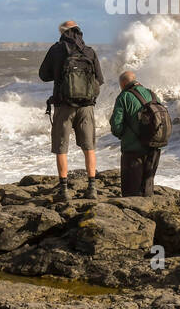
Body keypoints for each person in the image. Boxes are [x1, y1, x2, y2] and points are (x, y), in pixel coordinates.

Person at [39, 20, 104, 202]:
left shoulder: (56, 50)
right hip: (86, 106)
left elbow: (43, 75)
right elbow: (99, 80)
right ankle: (92, 188)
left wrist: (59, 73)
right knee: (89, 147)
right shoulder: (89, 51)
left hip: (63, 105)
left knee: (61, 148)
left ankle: (64, 189)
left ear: (62, 32)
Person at [110, 70, 162, 197]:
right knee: (147, 190)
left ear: (122, 84)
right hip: (154, 147)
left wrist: (124, 136)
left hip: (133, 150)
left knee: (131, 193)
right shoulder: (152, 94)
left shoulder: (124, 97)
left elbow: (116, 126)